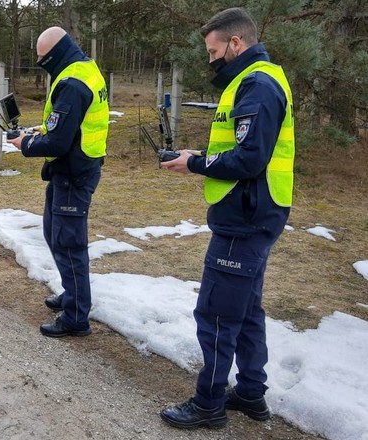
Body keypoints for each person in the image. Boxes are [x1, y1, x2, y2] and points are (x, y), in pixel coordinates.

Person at [158, 7, 295, 429]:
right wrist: (199, 159)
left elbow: (249, 158)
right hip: (255, 212)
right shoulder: (255, 80)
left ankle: (208, 404)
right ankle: (252, 393)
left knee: (216, 313)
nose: (211, 59)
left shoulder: (256, 83)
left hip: (246, 216)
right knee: (247, 308)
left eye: (214, 50)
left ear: (236, 43)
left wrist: (195, 162)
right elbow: (242, 146)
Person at [7, 26, 109, 338]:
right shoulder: (82, 69)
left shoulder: (73, 82)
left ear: (55, 54)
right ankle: (72, 293)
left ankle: (77, 316)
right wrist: (40, 129)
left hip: (74, 173)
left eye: (43, 60)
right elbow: (66, 125)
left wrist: (25, 144)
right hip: (71, 170)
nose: (41, 65)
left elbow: (59, 143)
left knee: (69, 244)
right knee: (54, 234)